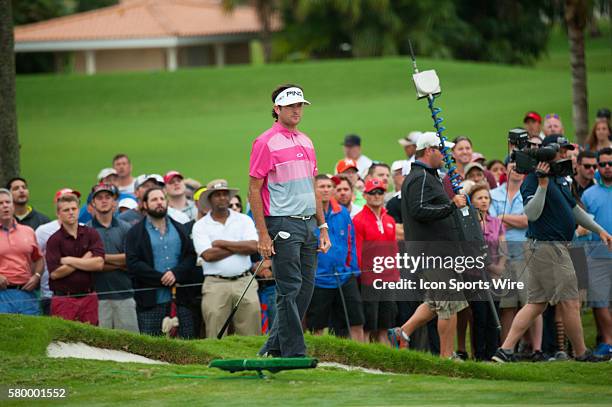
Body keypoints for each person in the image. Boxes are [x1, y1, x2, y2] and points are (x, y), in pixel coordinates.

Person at [492, 139, 612, 363]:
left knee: (537, 302)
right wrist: (542, 185)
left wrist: (600, 230)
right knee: (570, 301)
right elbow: (532, 214)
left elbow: (573, 210)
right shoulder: (532, 181)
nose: (565, 156)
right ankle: (581, 353)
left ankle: (505, 350)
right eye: (561, 152)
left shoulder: (561, 179)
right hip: (548, 247)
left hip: (552, 247)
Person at [249, 83, 330, 358]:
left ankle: (272, 346)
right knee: (289, 287)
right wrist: (262, 233)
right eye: (291, 106)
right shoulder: (265, 142)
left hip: (308, 223)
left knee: (305, 289)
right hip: (282, 223)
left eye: (300, 106)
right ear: (277, 109)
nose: (297, 110)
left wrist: (323, 225)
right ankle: (294, 352)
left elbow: (312, 187)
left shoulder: (307, 140)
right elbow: (253, 189)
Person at [388, 132, 469, 359]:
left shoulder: (427, 176)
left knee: (435, 303)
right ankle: (446, 357)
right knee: (448, 305)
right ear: (430, 150)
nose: (446, 155)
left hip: (437, 252)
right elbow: (418, 210)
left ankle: (401, 333)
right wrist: (451, 206)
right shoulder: (421, 177)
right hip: (434, 253)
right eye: (442, 150)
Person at [125, 187, 198, 337]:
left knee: (186, 346)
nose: (159, 202)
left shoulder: (180, 229)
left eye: (161, 199)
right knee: (152, 349)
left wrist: (175, 274)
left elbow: (191, 256)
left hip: (181, 301)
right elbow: (133, 263)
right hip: (150, 302)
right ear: (145, 205)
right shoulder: (135, 233)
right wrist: (160, 278)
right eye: (154, 199)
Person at [489, 161, 543, 359]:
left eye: (521, 168)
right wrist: (514, 220)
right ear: (506, 169)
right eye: (513, 166)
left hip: (526, 250)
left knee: (532, 301)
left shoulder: (530, 193)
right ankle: (507, 349)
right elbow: (492, 221)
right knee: (508, 305)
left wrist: (503, 219)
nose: (518, 171)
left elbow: (528, 220)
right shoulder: (494, 194)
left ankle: (537, 349)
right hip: (501, 254)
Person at [192, 179, 261, 338]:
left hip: (244, 280)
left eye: (225, 194)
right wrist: (239, 246)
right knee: (216, 329)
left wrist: (222, 244)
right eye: (217, 195)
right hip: (216, 283)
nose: (222, 198)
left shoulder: (244, 219)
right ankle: (217, 362)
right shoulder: (200, 226)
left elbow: (253, 247)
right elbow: (208, 255)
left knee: (251, 329)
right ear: (209, 199)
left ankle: (252, 361)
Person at [306, 175, 364, 341]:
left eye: (329, 186)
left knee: (356, 323)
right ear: (313, 189)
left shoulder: (343, 212)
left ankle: (358, 361)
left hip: (344, 277)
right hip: (319, 279)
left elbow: (350, 242)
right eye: (321, 186)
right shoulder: (308, 215)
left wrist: (352, 269)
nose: (325, 190)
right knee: (317, 327)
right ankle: (318, 361)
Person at [46, 194, 105, 324]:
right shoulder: (54, 240)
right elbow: (55, 273)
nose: (71, 212)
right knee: (63, 340)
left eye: (74, 208)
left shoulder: (91, 233)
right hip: (64, 299)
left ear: (79, 210)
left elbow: (99, 264)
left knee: (91, 339)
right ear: (58, 214)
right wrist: (85, 258)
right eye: (66, 210)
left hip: (89, 297)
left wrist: (69, 260)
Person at [87, 184, 138, 332]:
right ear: (93, 203)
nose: (104, 201)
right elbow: (89, 264)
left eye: (108, 197)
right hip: (98, 297)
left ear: (114, 202)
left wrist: (101, 257)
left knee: (131, 344)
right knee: (101, 348)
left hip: (125, 293)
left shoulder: (126, 228)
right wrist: (119, 262)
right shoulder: (87, 230)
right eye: (99, 198)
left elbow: (131, 260)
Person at [353, 178, 397, 344]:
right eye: (373, 192)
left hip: (388, 279)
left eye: (380, 192)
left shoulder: (389, 220)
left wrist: (395, 275)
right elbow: (357, 251)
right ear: (365, 195)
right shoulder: (359, 220)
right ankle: (366, 362)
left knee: (385, 325)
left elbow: (394, 250)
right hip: (369, 280)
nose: (377, 196)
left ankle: (384, 361)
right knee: (368, 325)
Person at [468, 184, 506, 360]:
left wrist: (499, 267)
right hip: (475, 276)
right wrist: (490, 267)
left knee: (493, 316)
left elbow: (503, 247)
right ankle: (480, 354)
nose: (484, 201)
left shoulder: (496, 222)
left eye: (486, 198)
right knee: (480, 316)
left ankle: (493, 352)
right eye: (479, 198)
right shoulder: (468, 224)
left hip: (494, 277)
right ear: (472, 201)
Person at [582, 147, 612, 358]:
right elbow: (584, 226)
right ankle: (608, 341)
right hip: (597, 254)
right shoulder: (588, 194)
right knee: (599, 301)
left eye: (610, 163)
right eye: (603, 164)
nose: (607, 167)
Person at [0, 188, 44, 315]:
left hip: (27, 292)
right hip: (2, 294)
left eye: (8, 202)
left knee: (31, 333)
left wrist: (36, 276)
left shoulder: (28, 231)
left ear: (13, 206)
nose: (5, 206)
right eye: (0, 203)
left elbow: (39, 259)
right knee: (5, 334)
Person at [120, 174, 189, 225]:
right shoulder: (125, 218)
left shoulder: (168, 215)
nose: (150, 189)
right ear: (136, 193)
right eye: (146, 186)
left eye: (153, 186)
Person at [386, 161, 405, 240]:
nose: (403, 176)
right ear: (393, 177)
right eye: (399, 173)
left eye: (404, 172)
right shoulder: (387, 198)